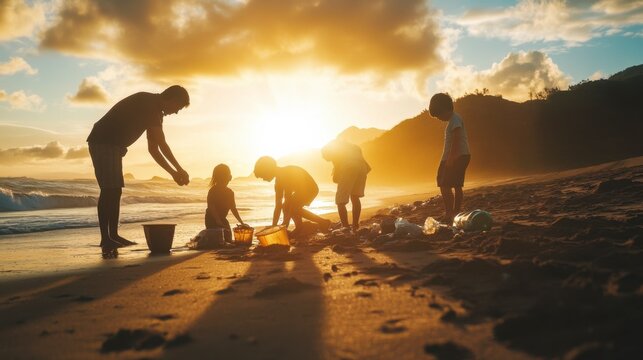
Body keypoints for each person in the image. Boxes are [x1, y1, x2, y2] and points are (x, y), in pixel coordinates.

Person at [87, 85, 191, 250]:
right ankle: (105, 238)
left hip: (114, 145)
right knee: (109, 189)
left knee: (116, 189)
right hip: (103, 141)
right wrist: (179, 169)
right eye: (177, 107)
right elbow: (162, 144)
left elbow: (153, 149)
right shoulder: (149, 103)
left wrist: (173, 172)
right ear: (172, 99)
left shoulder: (157, 113)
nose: (176, 112)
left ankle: (113, 235)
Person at [254, 156, 330, 236]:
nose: (263, 179)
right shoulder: (278, 183)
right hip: (301, 190)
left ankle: (321, 223)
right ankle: (303, 226)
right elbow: (278, 205)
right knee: (286, 207)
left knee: (292, 208)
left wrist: (285, 223)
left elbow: (288, 200)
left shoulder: (285, 174)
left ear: (268, 170)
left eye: (262, 175)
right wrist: (274, 225)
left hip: (310, 188)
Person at [428, 93, 471, 224]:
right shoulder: (454, 119)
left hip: (455, 156)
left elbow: (457, 138)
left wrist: (451, 157)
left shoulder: (455, 120)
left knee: (444, 183)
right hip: (460, 155)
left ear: (445, 109)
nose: (439, 118)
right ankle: (454, 212)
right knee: (456, 185)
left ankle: (450, 213)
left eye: (439, 115)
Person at [321, 139, 371, 231]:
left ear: (326, 151)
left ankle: (345, 227)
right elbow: (368, 167)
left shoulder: (334, 148)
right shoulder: (355, 147)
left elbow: (336, 174)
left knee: (340, 200)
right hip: (362, 168)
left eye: (325, 157)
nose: (326, 159)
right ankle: (355, 225)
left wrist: (340, 178)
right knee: (355, 197)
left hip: (349, 167)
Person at [205, 164, 245, 237]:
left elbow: (233, 208)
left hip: (222, 218)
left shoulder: (230, 192)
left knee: (228, 236)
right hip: (211, 219)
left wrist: (241, 222)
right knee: (218, 237)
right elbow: (211, 207)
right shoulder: (213, 191)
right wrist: (218, 221)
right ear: (217, 178)